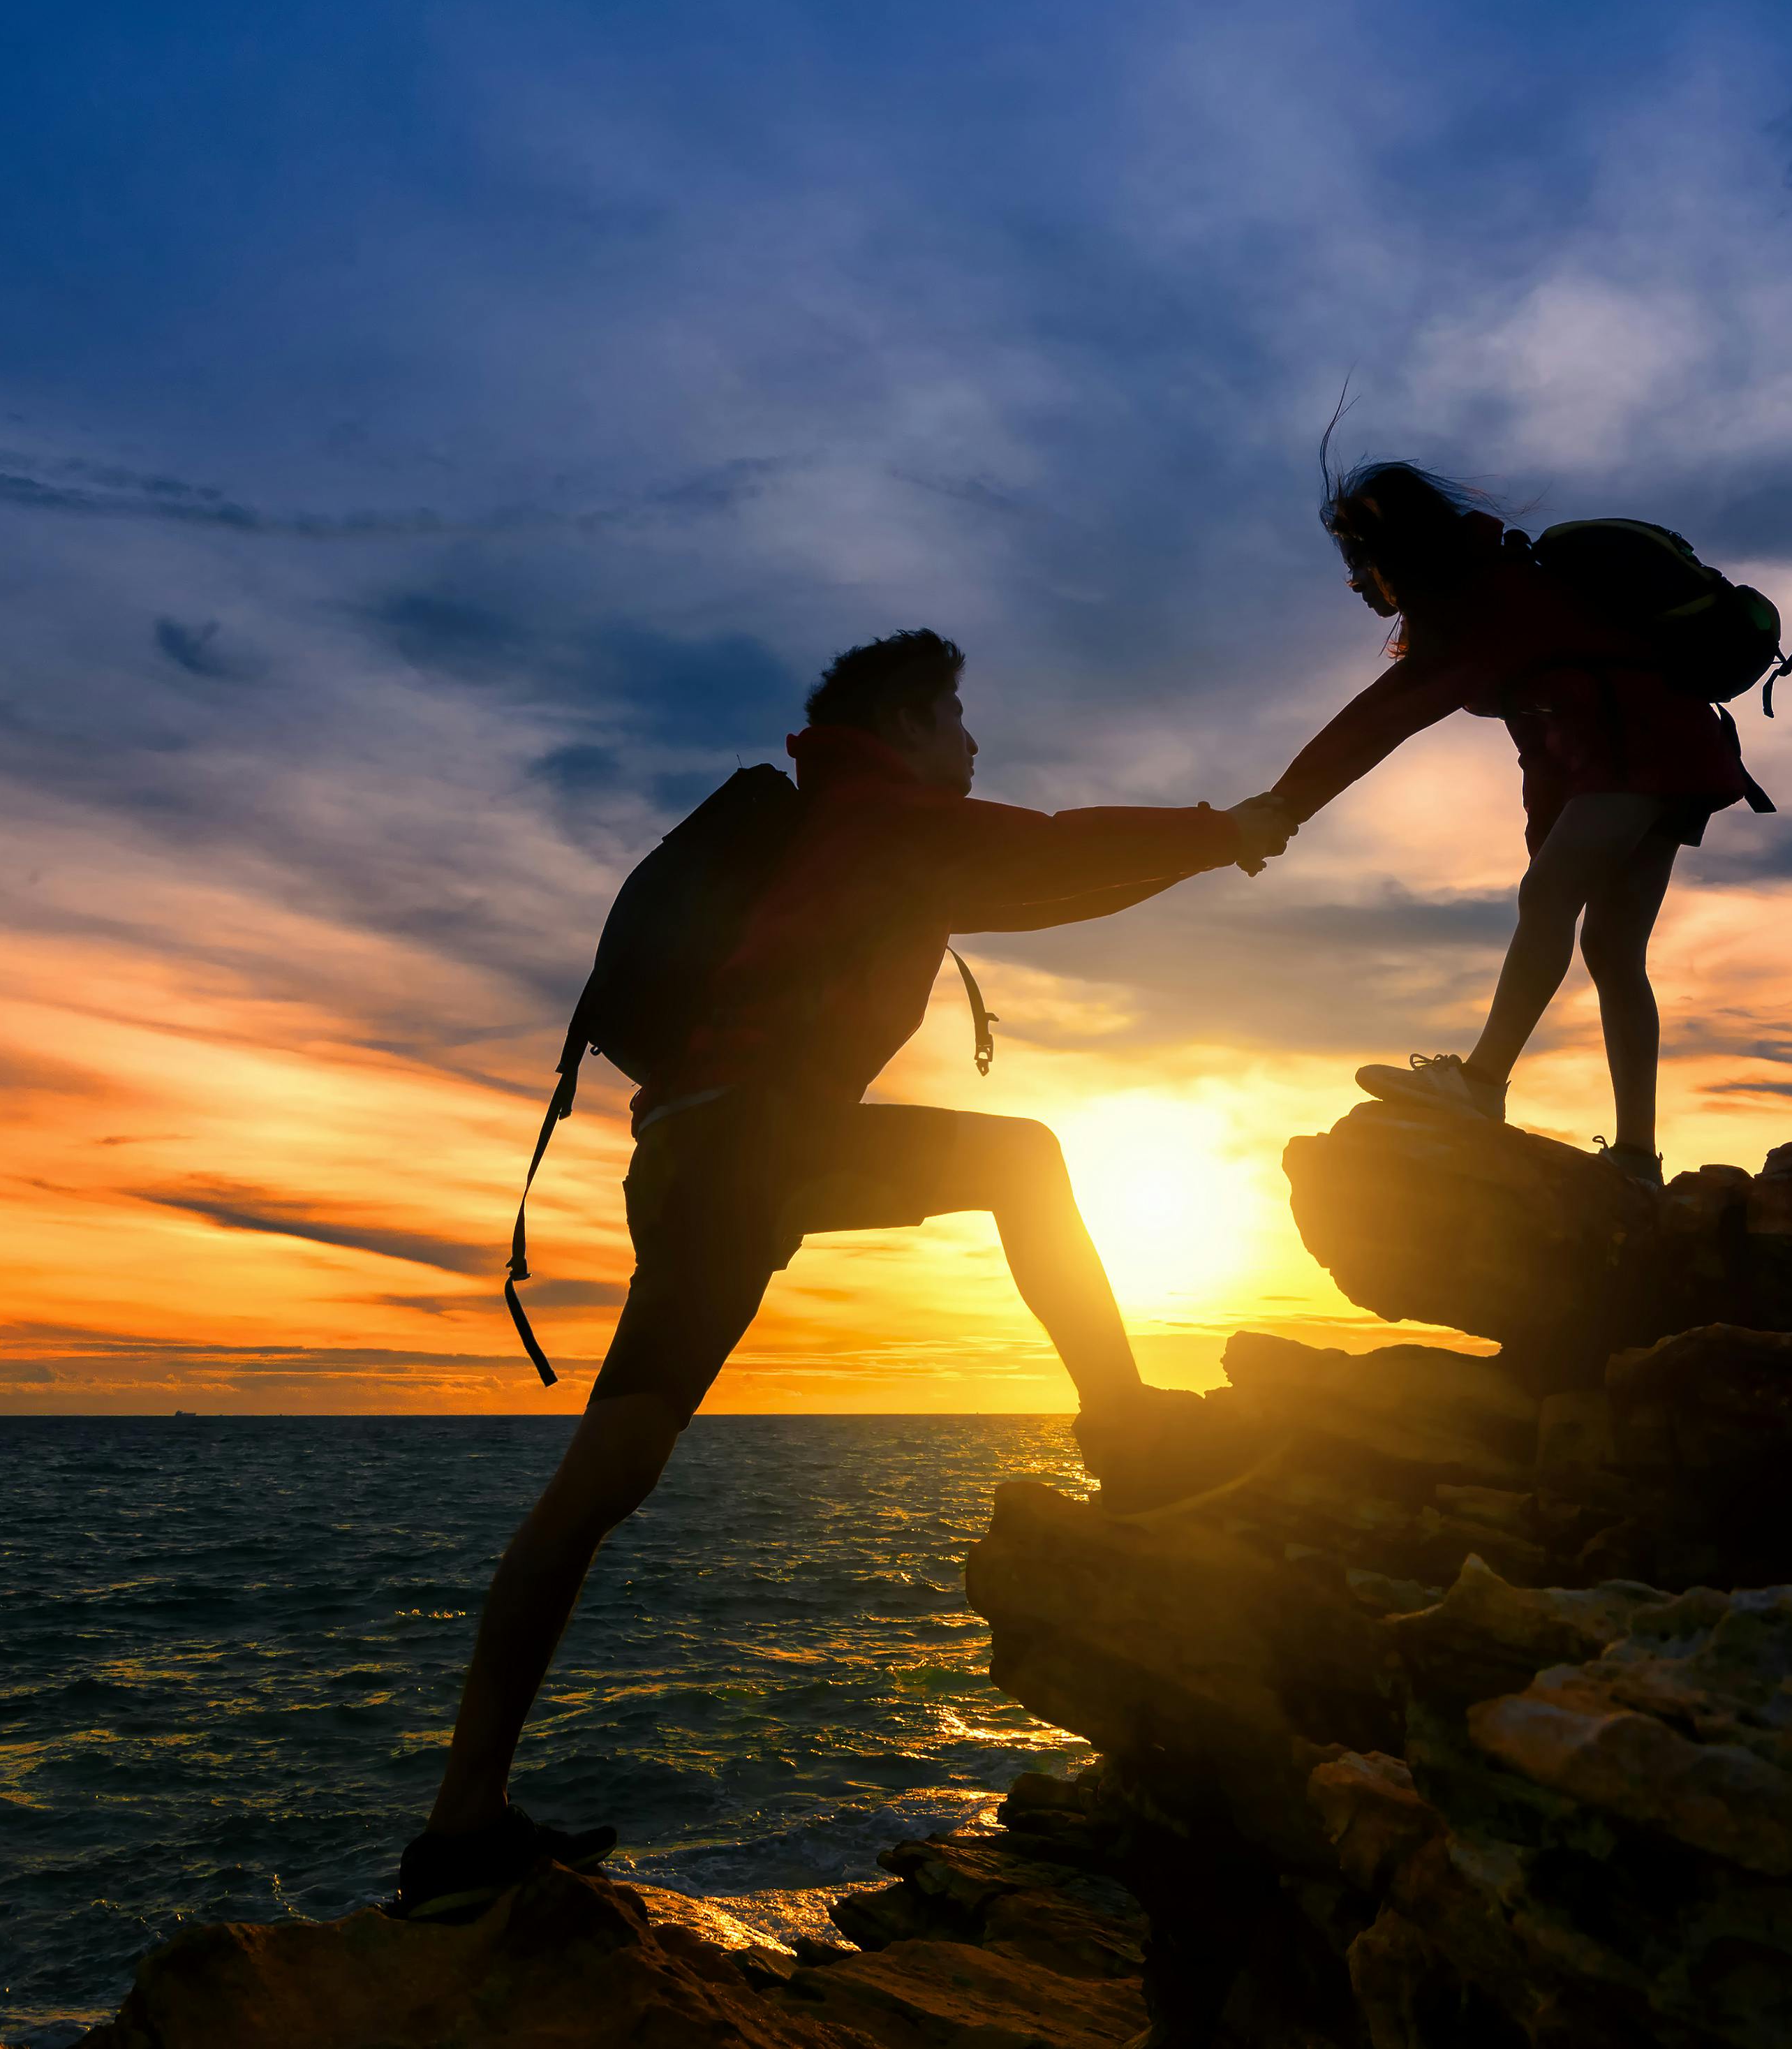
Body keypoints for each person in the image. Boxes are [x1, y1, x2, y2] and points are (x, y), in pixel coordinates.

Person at [399, 628, 1296, 1921]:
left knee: (604, 1481)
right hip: (751, 1142)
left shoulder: (837, 831)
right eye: (959, 718)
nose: (975, 743)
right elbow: (1052, 857)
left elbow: (1041, 882)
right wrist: (1229, 827)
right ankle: (1131, 1428)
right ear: (908, 722)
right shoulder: (879, 820)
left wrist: (1213, 841)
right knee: (1028, 1159)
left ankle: (459, 1829)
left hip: (700, 1157)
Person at [1259, 464, 1752, 1185]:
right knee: (1612, 950)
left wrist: (1281, 804)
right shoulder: (1502, 585)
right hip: (1668, 747)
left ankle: (1481, 1083)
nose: (1357, 586)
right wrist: (1544, 844)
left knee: (1552, 901)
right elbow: (1546, 742)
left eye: (1358, 566)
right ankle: (1637, 1159)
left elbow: (1385, 716)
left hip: (1638, 748)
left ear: (1392, 553)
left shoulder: (1475, 601)